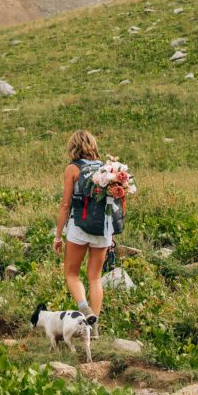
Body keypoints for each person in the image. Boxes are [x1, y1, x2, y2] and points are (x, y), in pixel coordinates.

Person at [53, 129, 124, 320]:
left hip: (79, 228)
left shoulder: (72, 169)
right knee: (95, 278)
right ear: (93, 145)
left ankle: (85, 309)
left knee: (71, 274)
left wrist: (58, 236)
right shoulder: (106, 169)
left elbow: (65, 205)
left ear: (73, 146)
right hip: (103, 230)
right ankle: (94, 327)